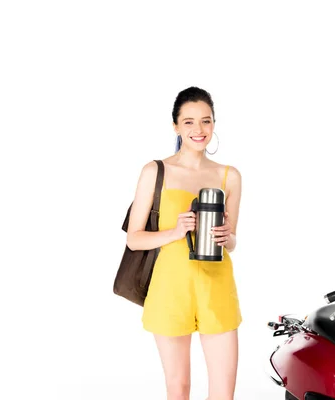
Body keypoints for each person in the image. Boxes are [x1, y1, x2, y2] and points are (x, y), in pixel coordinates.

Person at [126, 87, 242, 400]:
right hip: (170, 287)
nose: (199, 129)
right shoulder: (155, 172)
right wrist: (175, 232)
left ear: (214, 124)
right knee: (178, 388)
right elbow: (134, 239)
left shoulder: (228, 176)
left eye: (206, 121)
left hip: (216, 286)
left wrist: (226, 236)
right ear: (176, 126)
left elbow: (230, 242)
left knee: (223, 392)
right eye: (189, 122)